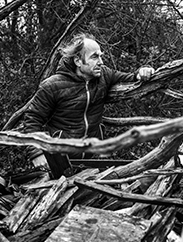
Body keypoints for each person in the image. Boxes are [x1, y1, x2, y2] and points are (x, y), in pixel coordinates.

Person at [21, 33, 155, 173]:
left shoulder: (104, 75)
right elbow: (32, 120)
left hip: (91, 161)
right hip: (61, 161)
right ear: (78, 61)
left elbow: (132, 77)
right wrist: (36, 153)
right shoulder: (52, 86)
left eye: (100, 56)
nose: (101, 62)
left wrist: (143, 71)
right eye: (94, 57)